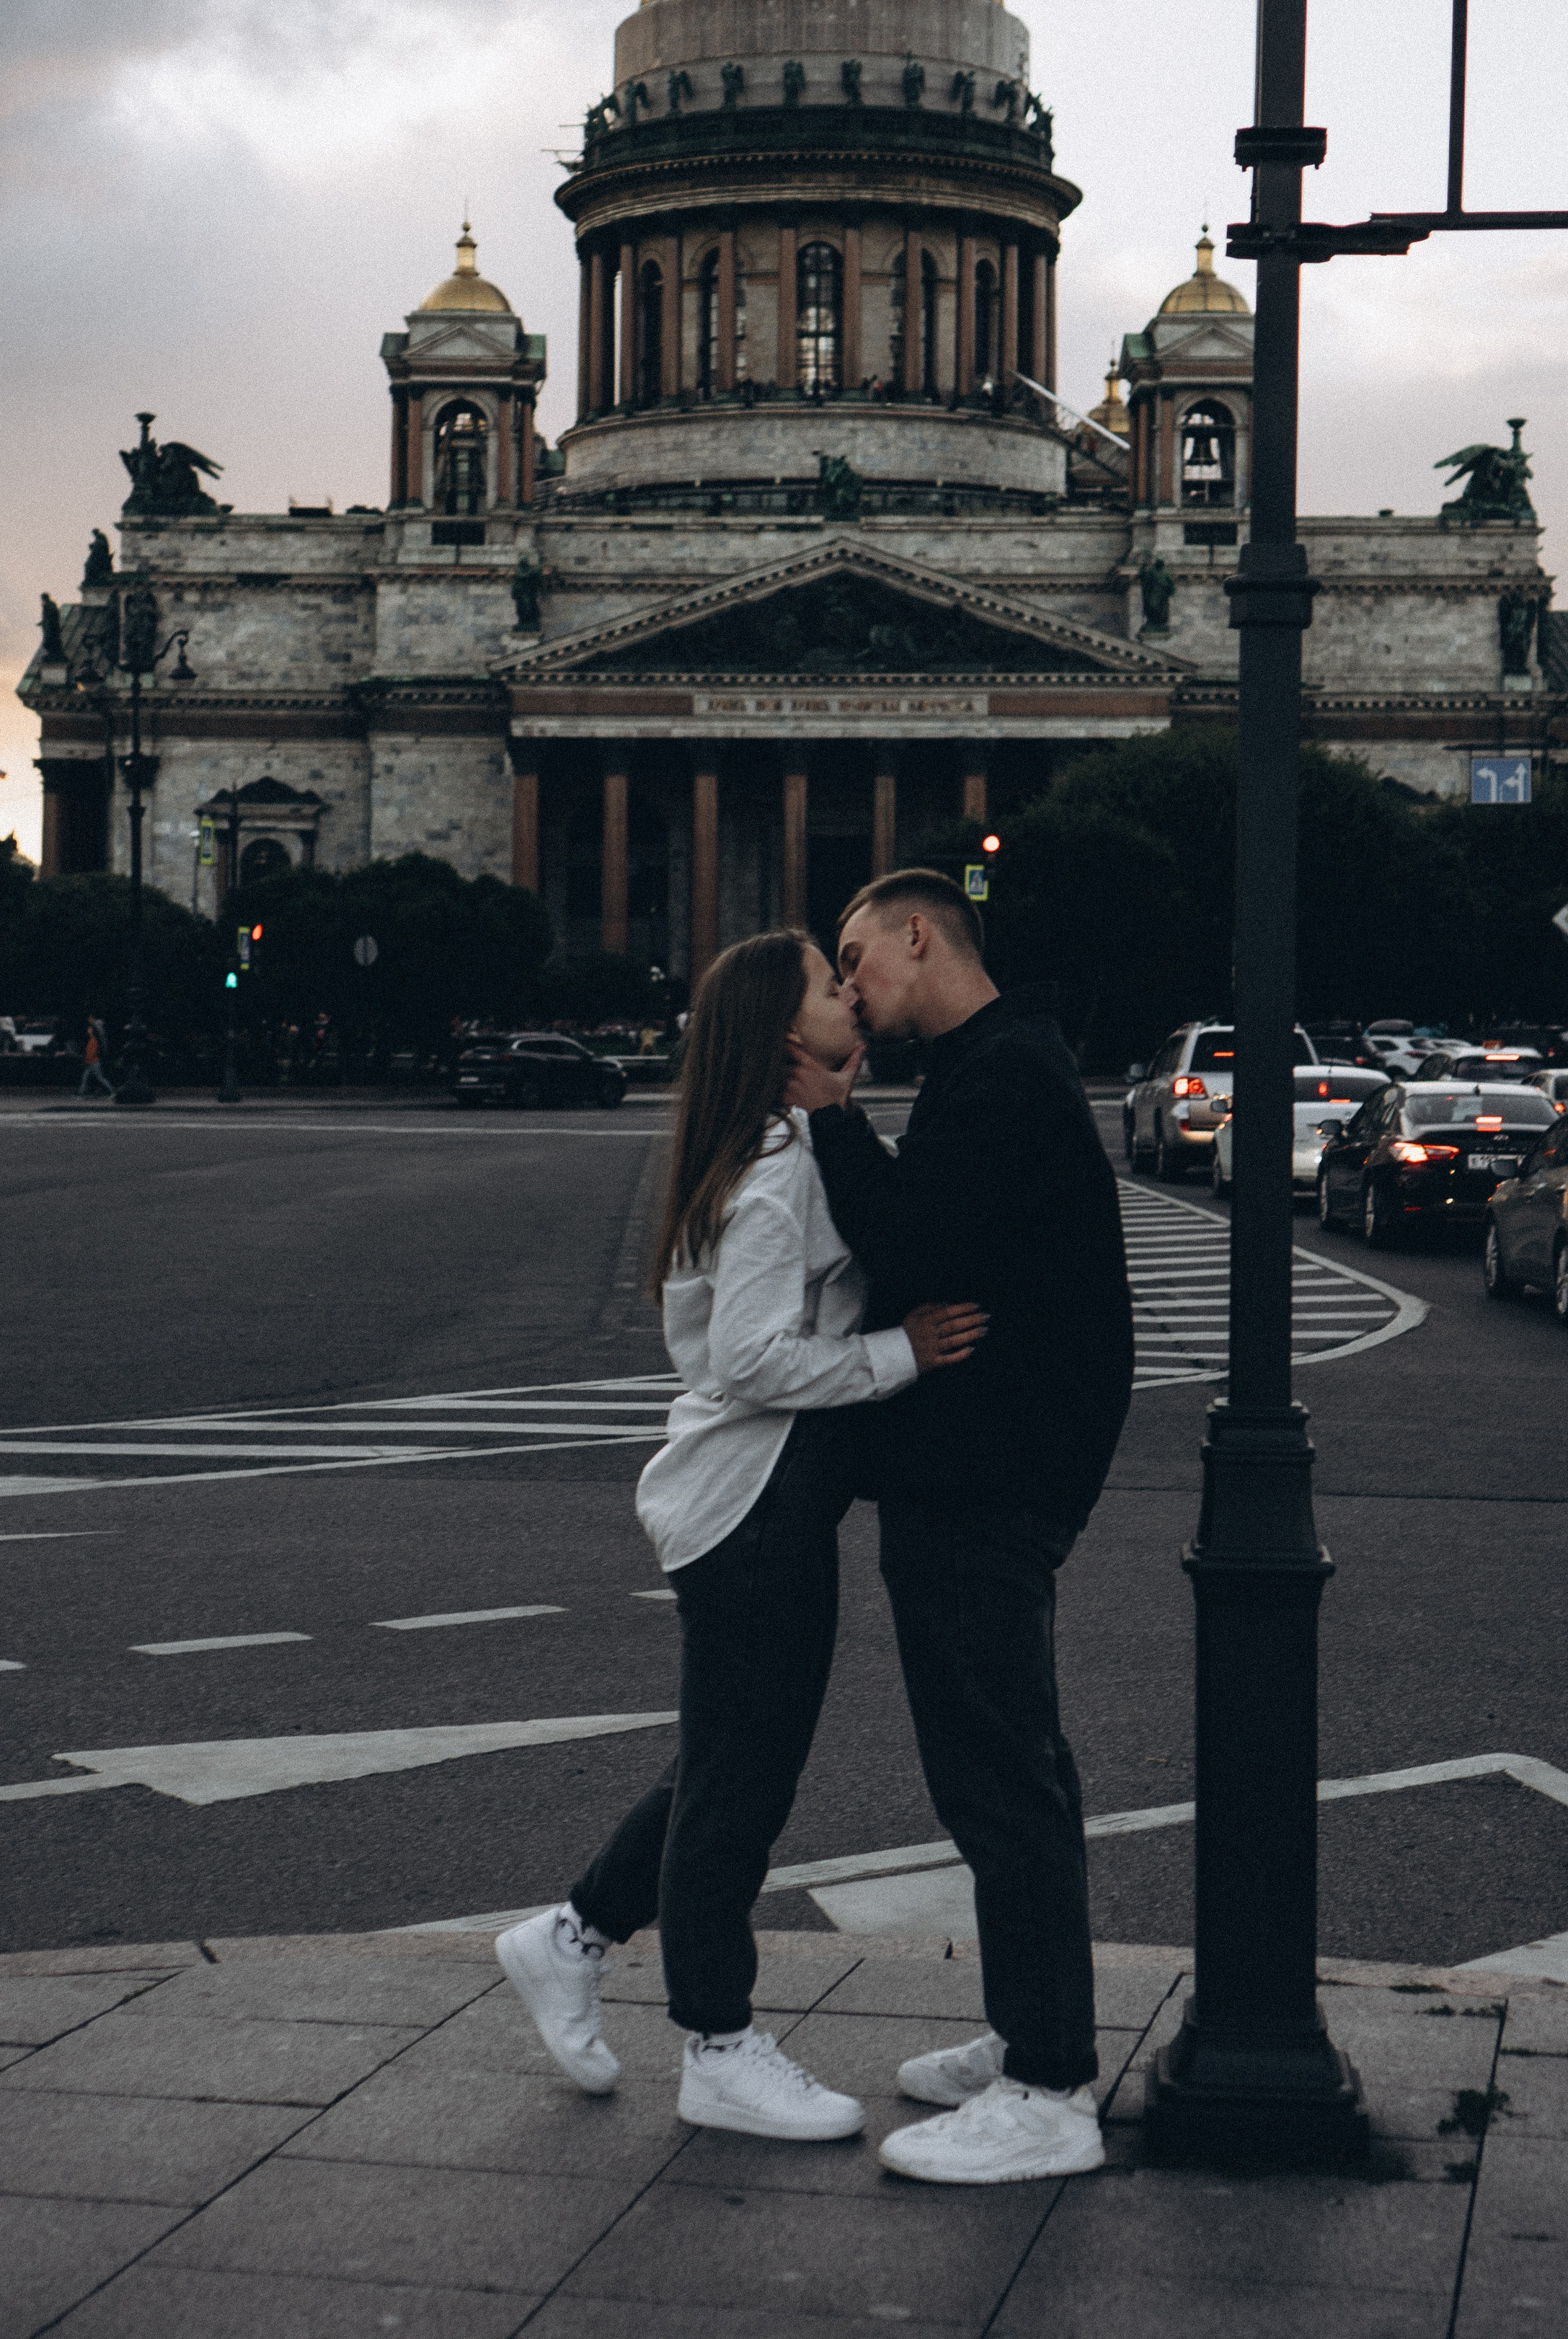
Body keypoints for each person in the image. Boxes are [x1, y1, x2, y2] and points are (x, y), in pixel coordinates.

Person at [496, 929, 985, 2143]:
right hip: (752, 1506)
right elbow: (750, 1358)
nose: (851, 998)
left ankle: (572, 1937)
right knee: (741, 1789)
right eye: (828, 986)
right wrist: (900, 1354)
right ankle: (716, 2044)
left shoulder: (778, 1143)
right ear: (781, 1033)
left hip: (758, 1503)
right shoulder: (774, 1167)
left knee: (725, 1763)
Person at [787, 867, 1134, 2188]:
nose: (849, 984)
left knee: (1000, 1781)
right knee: (1009, 1772)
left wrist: (831, 1119)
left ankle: (1047, 2088)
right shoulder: (996, 1064)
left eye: (856, 955)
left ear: (920, 936)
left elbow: (911, 1245)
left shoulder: (999, 1079)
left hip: (985, 1480)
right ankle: (1030, 2035)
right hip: (992, 1471)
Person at [78, 1018, 115, 1100]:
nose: (88, 1030)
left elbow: (92, 1053)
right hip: (91, 1063)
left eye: (90, 1029)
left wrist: (88, 1061)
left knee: (100, 1078)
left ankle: (111, 1092)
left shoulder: (94, 1040)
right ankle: (81, 1094)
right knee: (85, 1078)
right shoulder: (92, 1040)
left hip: (94, 1062)